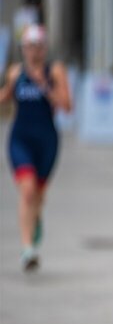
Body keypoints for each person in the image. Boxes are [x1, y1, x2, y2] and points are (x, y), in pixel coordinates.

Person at [0, 24, 72, 272]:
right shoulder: (15, 73)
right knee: (27, 190)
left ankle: (36, 218)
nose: (34, 52)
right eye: (30, 46)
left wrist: (45, 86)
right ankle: (27, 249)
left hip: (47, 140)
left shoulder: (55, 72)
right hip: (21, 138)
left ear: (45, 48)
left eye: (39, 46)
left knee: (38, 195)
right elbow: (6, 97)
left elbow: (67, 105)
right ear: (23, 49)